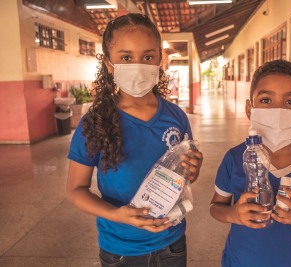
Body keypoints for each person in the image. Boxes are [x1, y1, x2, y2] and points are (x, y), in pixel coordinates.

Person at [66, 13, 203, 267]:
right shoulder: (94, 123)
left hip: (171, 242)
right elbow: (75, 190)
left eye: (148, 56)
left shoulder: (176, 117)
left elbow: (183, 176)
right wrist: (116, 214)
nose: (138, 65)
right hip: (121, 248)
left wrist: (193, 168)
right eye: (126, 57)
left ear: (160, 60)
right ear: (109, 64)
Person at [210, 59, 291, 267]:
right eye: (266, 100)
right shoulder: (235, 158)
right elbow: (216, 207)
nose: (278, 111)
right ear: (249, 109)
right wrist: (233, 214)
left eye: (290, 102)